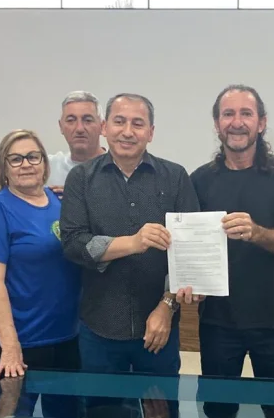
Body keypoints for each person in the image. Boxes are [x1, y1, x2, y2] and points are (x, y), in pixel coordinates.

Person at [59, 93, 199, 385]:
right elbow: (73, 244)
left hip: (159, 327)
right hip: (99, 328)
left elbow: (188, 253)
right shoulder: (81, 179)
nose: (127, 131)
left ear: (151, 132)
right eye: (119, 121)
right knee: (102, 410)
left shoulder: (175, 177)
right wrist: (132, 243)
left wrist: (167, 306)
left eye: (138, 123)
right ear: (104, 127)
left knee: (160, 408)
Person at [190, 85, 274, 418]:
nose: (236, 122)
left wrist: (256, 232)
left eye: (246, 114)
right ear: (216, 124)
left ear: (261, 123)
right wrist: (188, 281)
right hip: (218, 322)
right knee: (218, 414)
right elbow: (190, 247)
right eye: (228, 114)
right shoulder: (199, 180)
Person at [0, 129, 81, 399]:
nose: (26, 164)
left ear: (44, 162)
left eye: (33, 156)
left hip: (66, 338)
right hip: (21, 343)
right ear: (4, 168)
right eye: (16, 159)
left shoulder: (59, 203)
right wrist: (10, 346)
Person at [49, 91, 106, 193]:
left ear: (102, 126)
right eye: (71, 120)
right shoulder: (47, 167)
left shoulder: (119, 168)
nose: (79, 128)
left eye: (88, 120)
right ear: (61, 127)